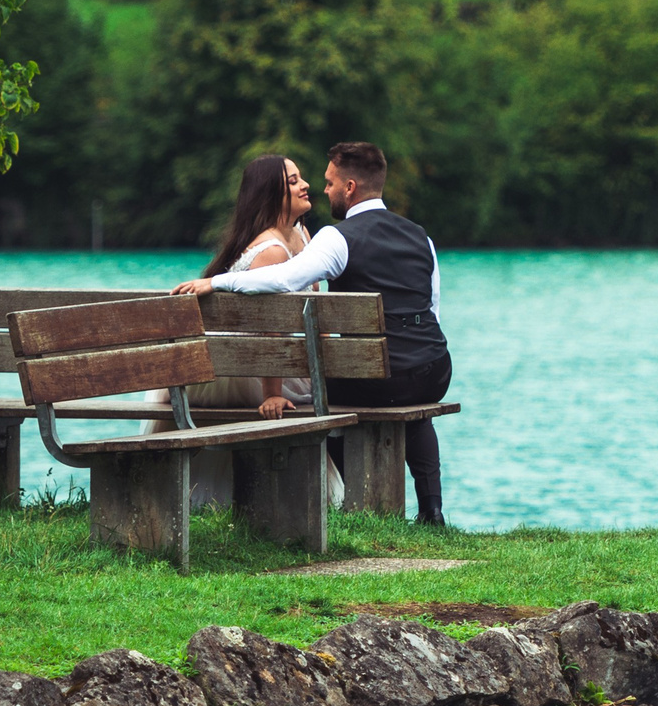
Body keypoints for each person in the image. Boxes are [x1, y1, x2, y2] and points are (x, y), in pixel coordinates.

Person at [175, 139, 452, 526]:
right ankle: (432, 510)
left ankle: (344, 503)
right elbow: (433, 306)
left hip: (374, 380)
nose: (324, 189)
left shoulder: (337, 238)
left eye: (330, 182)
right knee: (415, 408)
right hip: (433, 373)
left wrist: (219, 282)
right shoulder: (421, 236)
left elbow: (286, 279)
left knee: (330, 390)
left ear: (350, 188)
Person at [163, 155, 312, 423]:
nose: (305, 185)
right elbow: (269, 326)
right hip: (243, 366)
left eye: (300, 178)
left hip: (277, 359)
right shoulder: (272, 252)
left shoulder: (300, 233)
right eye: (293, 181)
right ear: (271, 193)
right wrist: (272, 395)